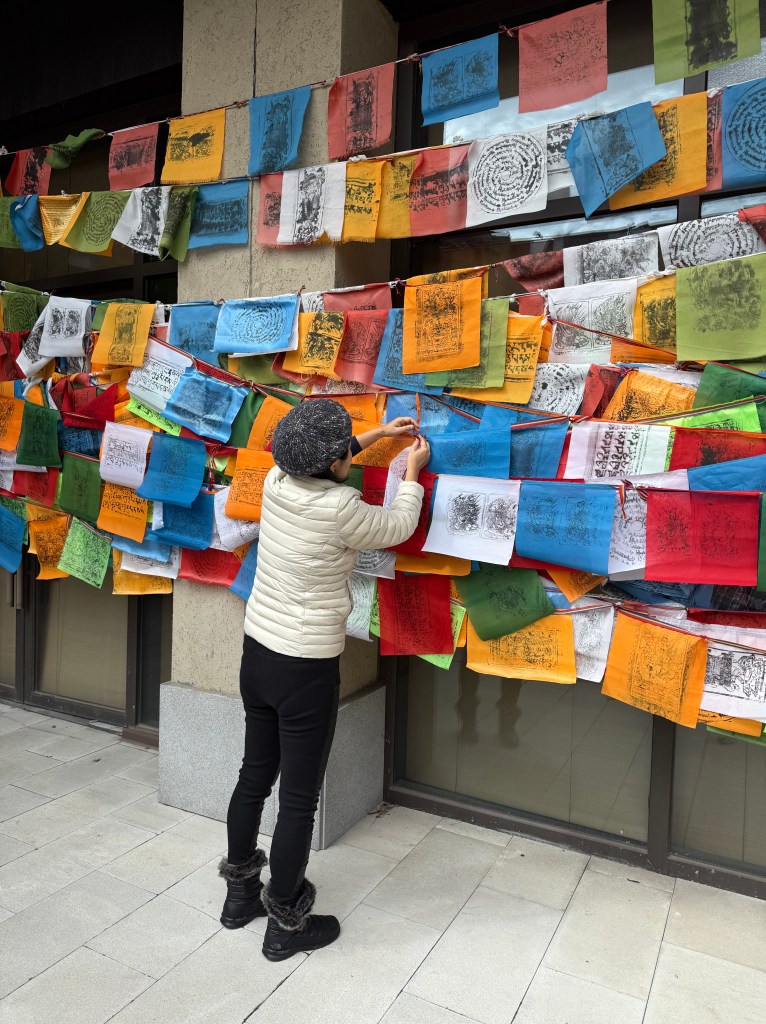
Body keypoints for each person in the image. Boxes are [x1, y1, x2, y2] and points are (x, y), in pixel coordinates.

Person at [217, 398, 430, 962]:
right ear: (335, 463)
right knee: (298, 800)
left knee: (254, 774)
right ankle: (285, 922)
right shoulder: (342, 506)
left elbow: (319, 458)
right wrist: (410, 472)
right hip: (305, 666)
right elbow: (399, 527)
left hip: (257, 651)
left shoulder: (274, 482)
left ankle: (240, 897)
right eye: (346, 453)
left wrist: (377, 433)